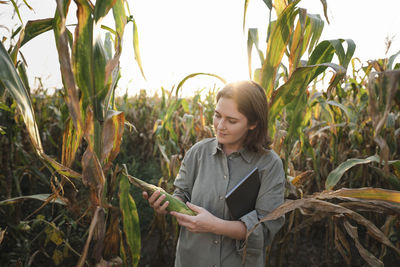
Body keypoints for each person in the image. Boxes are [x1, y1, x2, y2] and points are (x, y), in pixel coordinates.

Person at [143, 80, 285, 266]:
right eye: (217, 115)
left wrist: (214, 225)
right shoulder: (197, 152)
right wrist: (165, 204)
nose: (220, 125)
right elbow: (182, 195)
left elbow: (266, 227)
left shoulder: (269, 164)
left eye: (231, 120)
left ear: (253, 124)